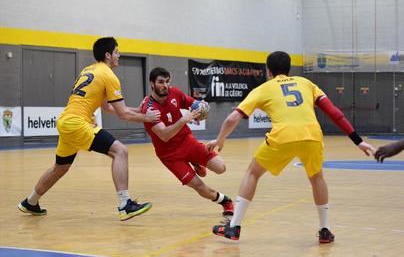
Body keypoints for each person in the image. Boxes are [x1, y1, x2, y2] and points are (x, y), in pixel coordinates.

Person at [208, 51, 375, 243]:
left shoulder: (263, 88)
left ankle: (234, 227)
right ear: (289, 69)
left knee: (253, 173)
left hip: (282, 137)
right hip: (312, 135)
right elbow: (334, 112)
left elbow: (232, 118)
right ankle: (325, 230)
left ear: (268, 71)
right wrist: (358, 140)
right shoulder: (306, 83)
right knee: (317, 177)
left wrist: (220, 140)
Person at [18, 37, 160, 221]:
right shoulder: (109, 76)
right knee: (120, 151)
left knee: (59, 168)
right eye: (117, 52)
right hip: (77, 123)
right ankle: (125, 205)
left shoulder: (90, 70)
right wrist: (146, 117)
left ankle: (30, 202)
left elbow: (109, 107)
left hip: (66, 122)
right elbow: (123, 114)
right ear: (108, 55)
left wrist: (139, 111)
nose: (119, 55)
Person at [140, 67, 234, 217]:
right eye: (160, 82)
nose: (165, 85)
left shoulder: (174, 93)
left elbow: (194, 104)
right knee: (199, 187)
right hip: (170, 156)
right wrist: (183, 120)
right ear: (152, 84)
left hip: (187, 142)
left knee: (221, 167)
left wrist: (202, 108)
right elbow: (164, 135)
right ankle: (225, 201)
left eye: (167, 81)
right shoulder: (149, 109)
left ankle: (197, 162)